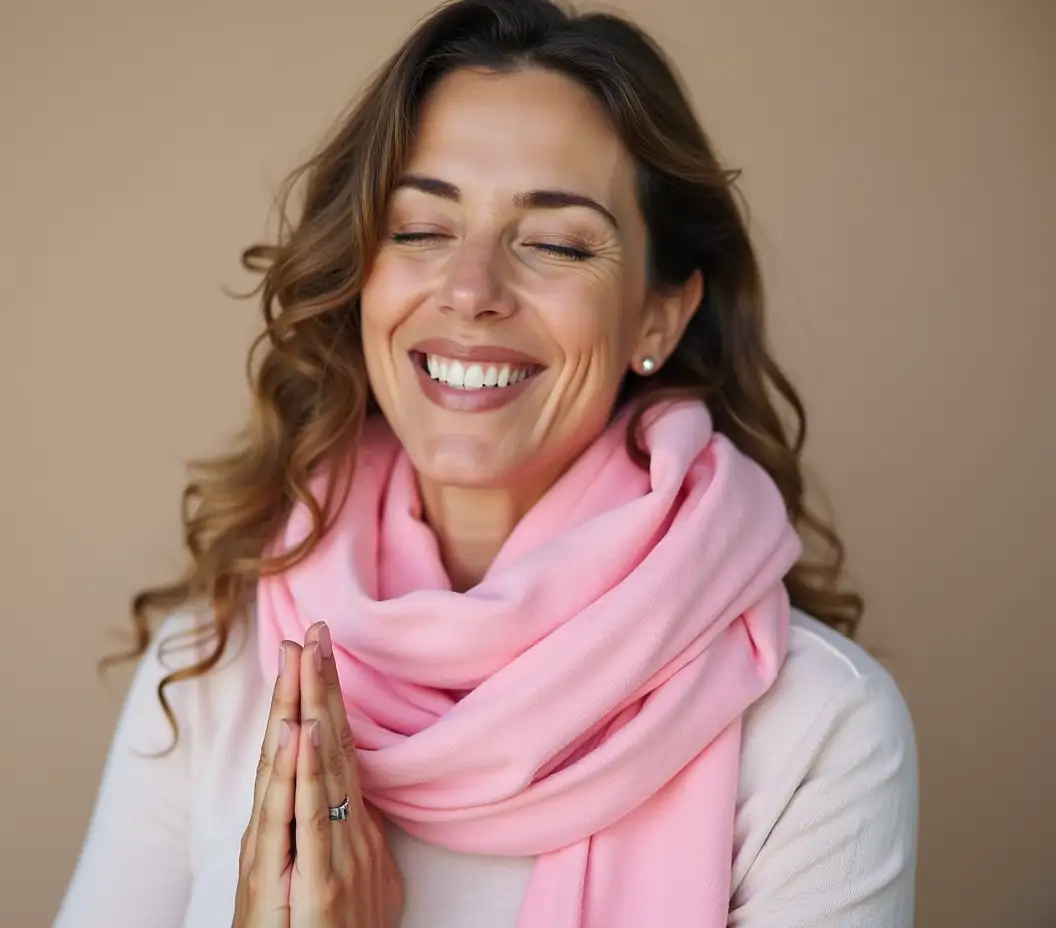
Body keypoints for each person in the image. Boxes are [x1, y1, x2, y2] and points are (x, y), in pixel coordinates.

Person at [54, 1, 919, 925]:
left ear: (661, 313)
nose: (471, 290)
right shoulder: (212, 669)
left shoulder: (819, 729)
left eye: (553, 242)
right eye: (422, 229)